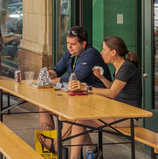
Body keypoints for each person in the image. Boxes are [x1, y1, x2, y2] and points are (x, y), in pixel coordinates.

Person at [58, 36, 142, 159]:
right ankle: (84, 152)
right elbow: (114, 88)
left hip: (128, 116)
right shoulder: (120, 67)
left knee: (79, 119)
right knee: (78, 117)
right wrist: (101, 78)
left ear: (113, 52)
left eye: (104, 49)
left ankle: (64, 149)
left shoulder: (127, 67)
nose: (101, 53)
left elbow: (112, 93)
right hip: (118, 111)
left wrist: (86, 88)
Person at [38, 26, 111, 155]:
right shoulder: (71, 53)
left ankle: (54, 145)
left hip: (99, 99)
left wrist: (52, 81)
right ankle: (49, 151)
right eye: (67, 43)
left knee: (73, 116)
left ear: (83, 44)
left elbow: (76, 77)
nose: (69, 47)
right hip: (80, 96)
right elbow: (58, 69)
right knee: (43, 107)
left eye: (73, 44)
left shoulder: (90, 54)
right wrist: (50, 74)